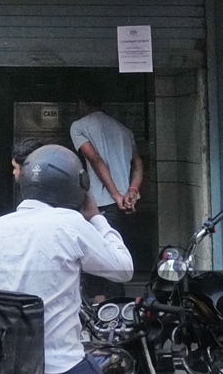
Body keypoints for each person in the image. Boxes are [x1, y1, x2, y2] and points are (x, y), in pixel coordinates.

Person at [0, 144, 133, 374]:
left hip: (12, 365)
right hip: (64, 365)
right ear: (77, 187)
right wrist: (96, 218)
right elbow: (124, 269)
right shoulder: (71, 224)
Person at [70, 87, 144, 300]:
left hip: (100, 205)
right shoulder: (123, 129)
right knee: (115, 255)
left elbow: (95, 159)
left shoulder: (79, 127)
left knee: (102, 263)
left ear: (81, 103)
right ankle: (111, 307)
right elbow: (138, 163)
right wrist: (131, 192)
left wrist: (115, 195)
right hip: (123, 206)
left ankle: (111, 308)